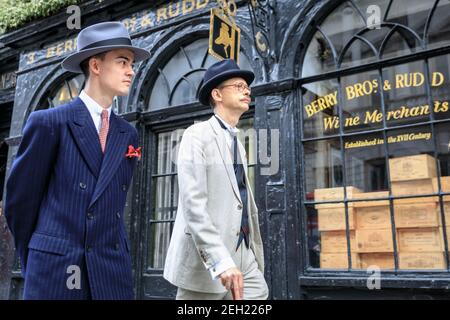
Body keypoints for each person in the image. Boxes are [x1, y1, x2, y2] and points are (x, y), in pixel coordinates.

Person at [4, 21, 150, 299]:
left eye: (131, 63)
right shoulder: (50, 122)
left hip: (111, 273)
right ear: (95, 66)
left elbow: (114, 206)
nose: (131, 71)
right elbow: (19, 203)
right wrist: (39, 255)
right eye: (122, 62)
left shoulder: (127, 133)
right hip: (57, 272)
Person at [164, 59, 268, 300]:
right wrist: (221, 261)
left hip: (245, 256)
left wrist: (249, 251)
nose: (247, 90)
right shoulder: (196, 135)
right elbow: (194, 206)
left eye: (247, 87)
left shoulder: (237, 143)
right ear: (217, 94)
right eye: (239, 85)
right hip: (207, 262)